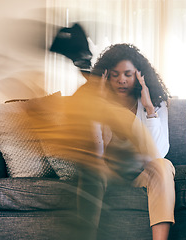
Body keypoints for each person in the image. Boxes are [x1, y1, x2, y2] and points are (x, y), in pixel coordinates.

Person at [75, 43, 175, 240]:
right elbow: (96, 154)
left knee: (163, 166)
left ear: (139, 76)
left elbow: (157, 153)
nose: (122, 80)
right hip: (108, 174)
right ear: (106, 76)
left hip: (141, 173)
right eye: (115, 74)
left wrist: (149, 109)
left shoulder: (156, 103)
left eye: (128, 74)